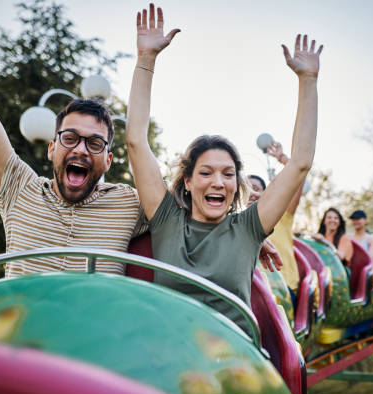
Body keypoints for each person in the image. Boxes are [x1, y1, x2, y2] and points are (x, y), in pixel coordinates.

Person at [125, 4, 322, 334]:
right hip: (173, 354)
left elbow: (300, 162)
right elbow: (135, 141)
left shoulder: (247, 228)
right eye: (205, 173)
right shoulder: (166, 220)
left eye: (228, 174)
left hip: (231, 362)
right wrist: (146, 60)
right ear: (187, 181)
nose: (218, 182)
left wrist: (309, 81)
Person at [0, 0, 147, 276]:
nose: (81, 150)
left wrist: (146, 62)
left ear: (108, 160)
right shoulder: (20, 190)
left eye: (94, 143)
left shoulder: (129, 204)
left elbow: (190, 210)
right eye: (70, 138)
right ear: (51, 148)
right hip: (25, 318)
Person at [248, 141, 305, 304]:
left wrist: (283, 159)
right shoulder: (237, 223)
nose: (251, 193)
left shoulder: (281, 215)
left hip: (282, 289)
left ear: (266, 193)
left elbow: (298, 180)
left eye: (255, 188)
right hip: (252, 292)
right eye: (245, 188)